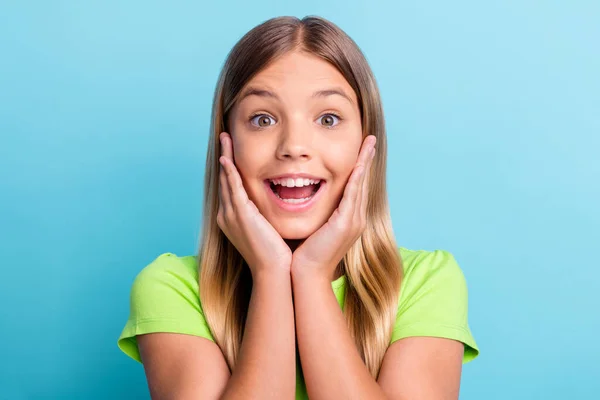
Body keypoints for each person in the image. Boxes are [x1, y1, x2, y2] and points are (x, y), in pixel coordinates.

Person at [117, 15, 480, 400]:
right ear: (227, 143)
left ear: (366, 143)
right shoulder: (173, 287)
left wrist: (310, 276)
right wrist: (272, 273)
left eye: (328, 118)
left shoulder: (427, 282)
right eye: (262, 119)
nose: (294, 145)